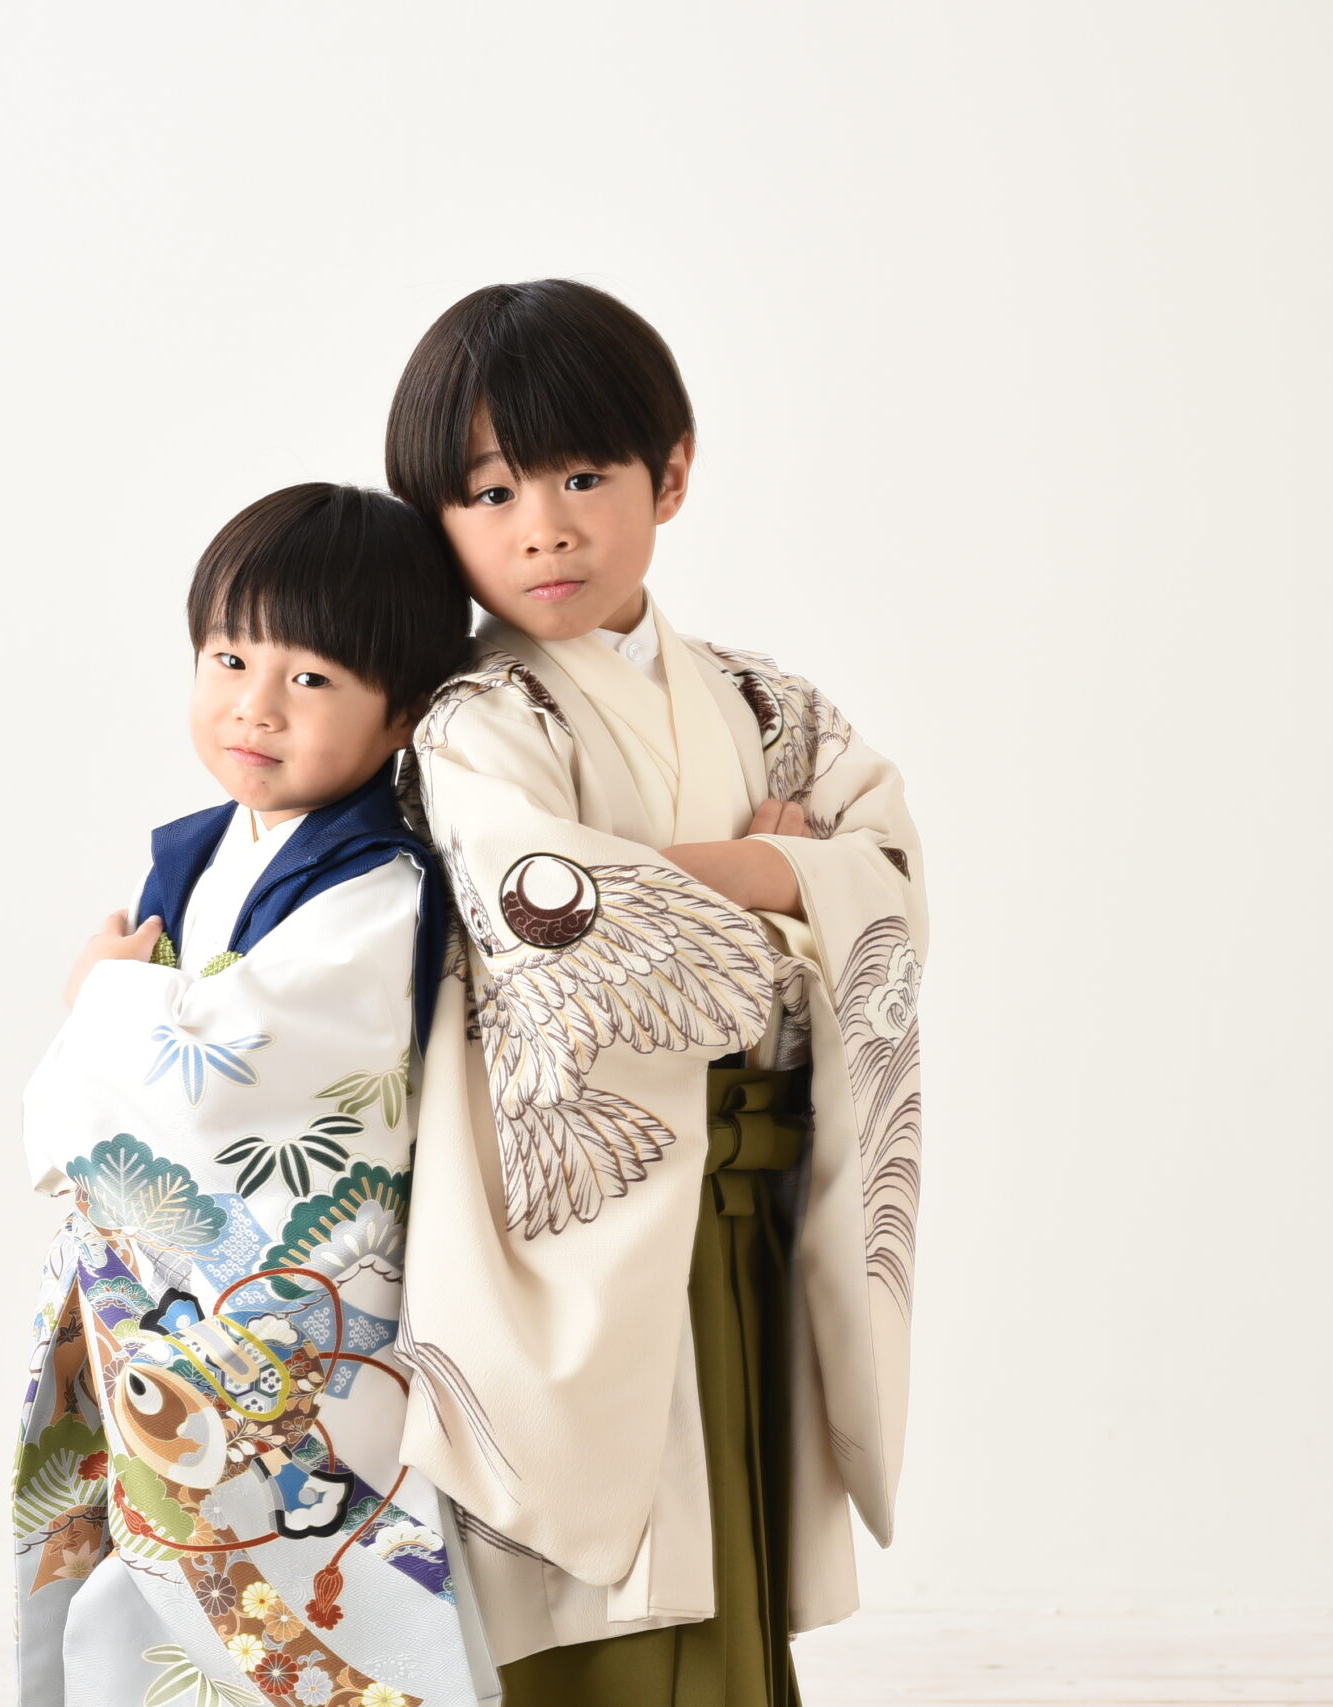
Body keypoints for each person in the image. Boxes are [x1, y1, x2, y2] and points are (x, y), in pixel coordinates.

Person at [382, 281, 930, 1706]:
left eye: (580, 477)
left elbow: (892, 880)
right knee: (611, 1572)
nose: (541, 527)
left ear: (669, 473)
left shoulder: (761, 702)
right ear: (438, 519)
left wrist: (699, 880)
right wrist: (786, 874)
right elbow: (553, 921)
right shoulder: (476, 720)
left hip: (752, 1189)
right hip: (586, 1213)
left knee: (724, 1535)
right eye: (488, 492)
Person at [12, 483, 499, 1707]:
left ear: (403, 713)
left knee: (277, 1578)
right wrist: (122, 1007)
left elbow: (231, 1073)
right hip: (156, 1300)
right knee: (136, 1568)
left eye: (310, 677)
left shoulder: (378, 885)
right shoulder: (196, 852)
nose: (254, 704)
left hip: (282, 1321)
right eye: (229, 658)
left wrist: (99, 996)